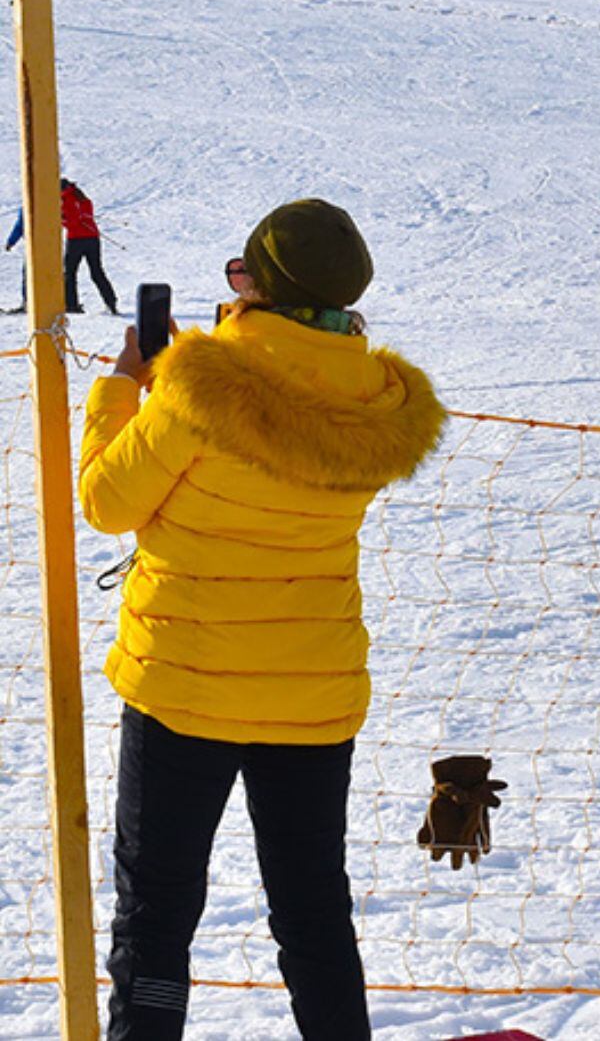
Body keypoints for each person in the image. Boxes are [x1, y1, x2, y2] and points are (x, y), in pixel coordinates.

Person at [79, 199, 446, 1041]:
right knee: (313, 910)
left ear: (260, 288)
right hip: (311, 701)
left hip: (183, 690)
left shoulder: (200, 382)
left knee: (158, 916)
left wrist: (124, 383)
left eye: (242, 273)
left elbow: (106, 500)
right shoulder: (375, 399)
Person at [61, 177, 118, 314]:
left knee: (70, 273)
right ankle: (111, 301)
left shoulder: (65, 200)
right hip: (92, 238)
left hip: (76, 239)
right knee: (96, 271)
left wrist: (60, 219)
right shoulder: (83, 198)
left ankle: (71, 305)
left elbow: (72, 222)